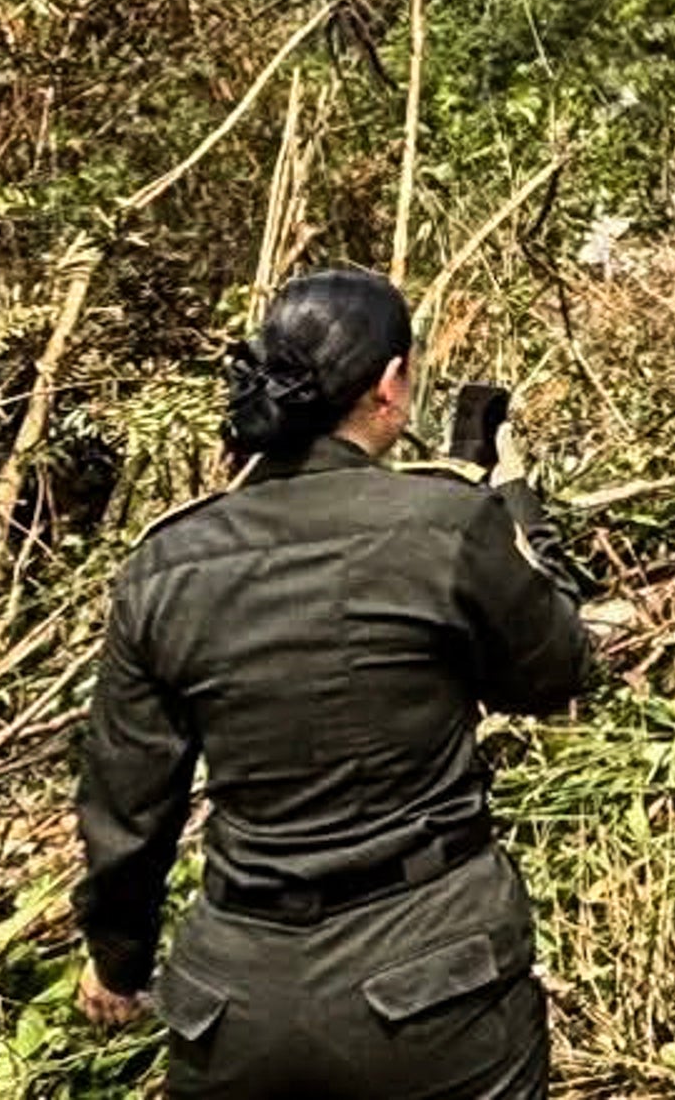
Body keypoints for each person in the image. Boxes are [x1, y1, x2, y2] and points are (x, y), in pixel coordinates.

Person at [73, 267, 590, 1098]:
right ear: (389, 385)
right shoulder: (447, 525)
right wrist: (518, 515)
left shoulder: (166, 561)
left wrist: (117, 957)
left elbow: (128, 801)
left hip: (236, 1003)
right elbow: (555, 672)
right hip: (437, 985)